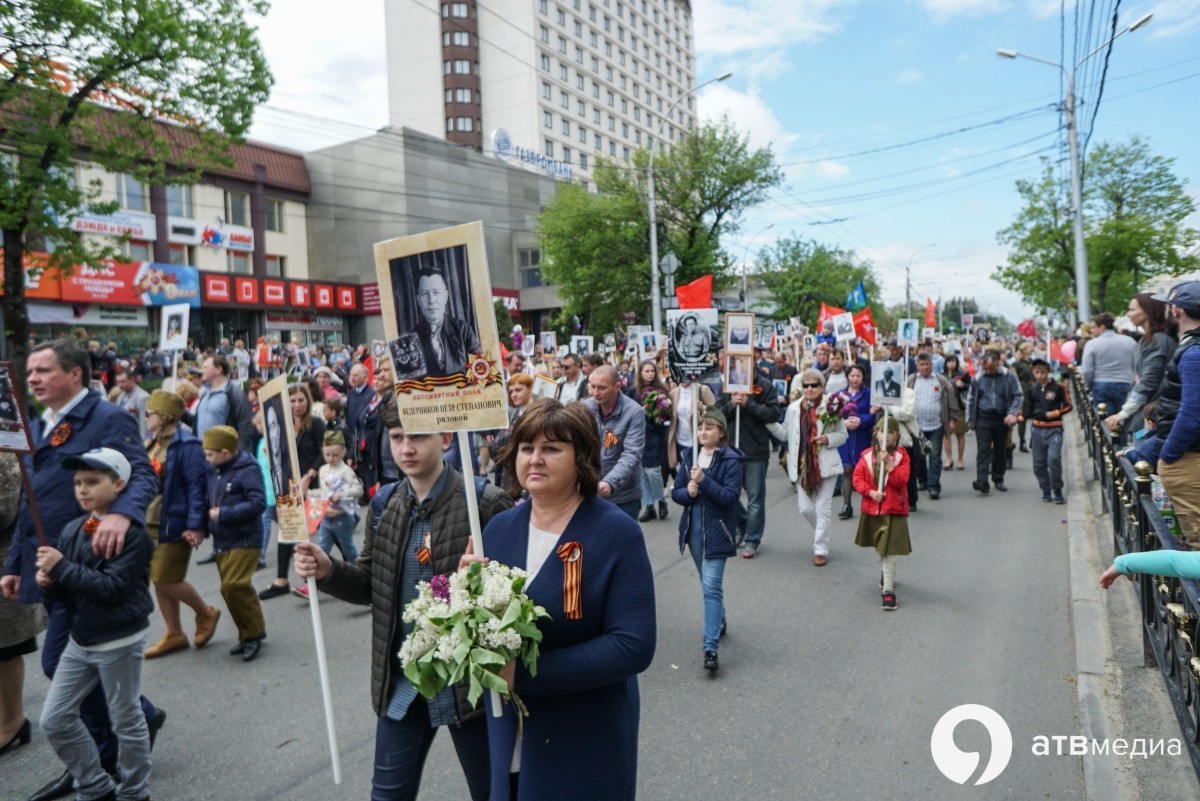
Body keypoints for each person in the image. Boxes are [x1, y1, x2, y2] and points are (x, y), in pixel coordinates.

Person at [294, 400, 511, 801]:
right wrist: (328, 570)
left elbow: (515, 598)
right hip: (404, 680)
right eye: (397, 438)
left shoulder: (486, 502)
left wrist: (479, 583)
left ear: (445, 438)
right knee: (388, 796)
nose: (406, 448)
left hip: (470, 685)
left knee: (494, 793)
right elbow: (370, 584)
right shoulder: (384, 504)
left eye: (417, 436)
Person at [467, 400, 655, 801]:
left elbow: (632, 645)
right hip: (512, 729)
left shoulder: (615, 532)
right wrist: (466, 594)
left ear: (581, 457)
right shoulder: (498, 530)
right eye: (526, 448)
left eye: (551, 448)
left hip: (585, 730)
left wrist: (526, 675)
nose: (535, 458)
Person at [2, 340, 164, 801]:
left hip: (91, 563)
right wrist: (16, 564)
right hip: (53, 565)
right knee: (72, 665)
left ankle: (102, 758)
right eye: (29, 370)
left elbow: (141, 472)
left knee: (59, 661)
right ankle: (128, 724)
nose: (30, 378)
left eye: (42, 370)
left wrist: (123, 514)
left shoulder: (105, 418)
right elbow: (33, 502)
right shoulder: (37, 423)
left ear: (75, 375)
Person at [36, 448, 154, 801]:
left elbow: (113, 589)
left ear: (119, 484)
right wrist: (50, 583)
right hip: (81, 638)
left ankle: (135, 791)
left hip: (118, 639)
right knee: (54, 719)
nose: (83, 489)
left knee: (126, 719)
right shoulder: (74, 529)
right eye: (77, 483)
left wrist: (62, 569)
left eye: (93, 482)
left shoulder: (133, 534)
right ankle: (95, 784)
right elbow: (66, 596)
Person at [142, 391, 221, 659]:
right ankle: (174, 632)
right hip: (150, 521)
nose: (146, 418)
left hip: (174, 521)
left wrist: (196, 526)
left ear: (164, 416)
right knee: (159, 579)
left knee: (165, 577)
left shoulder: (187, 446)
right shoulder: (153, 442)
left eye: (150, 413)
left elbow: (197, 489)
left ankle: (206, 612)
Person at [671, 406, 742, 671]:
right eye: (700, 427)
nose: (703, 431)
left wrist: (703, 481)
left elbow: (730, 498)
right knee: (706, 584)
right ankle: (720, 619)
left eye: (709, 427)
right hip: (693, 534)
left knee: (711, 588)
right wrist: (687, 492)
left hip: (719, 532)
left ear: (721, 432)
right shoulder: (689, 455)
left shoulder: (731, 460)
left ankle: (710, 647)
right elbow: (677, 492)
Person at [200, 426, 268, 662]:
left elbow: (257, 503)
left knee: (234, 585)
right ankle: (248, 632)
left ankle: (253, 634)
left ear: (226, 452)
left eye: (210, 454)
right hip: (224, 539)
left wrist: (226, 514)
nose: (207, 459)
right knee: (231, 589)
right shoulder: (217, 471)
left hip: (245, 537)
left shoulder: (246, 470)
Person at [260, 384, 326, 600]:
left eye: (301, 400)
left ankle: (335, 575)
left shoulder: (315, 424)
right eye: (292, 401)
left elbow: (323, 452)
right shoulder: (281, 426)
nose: (297, 405)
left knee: (326, 534)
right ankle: (282, 580)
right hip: (289, 486)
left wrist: (310, 474)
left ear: (308, 401)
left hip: (311, 485)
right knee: (288, 531)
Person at [1149, 280, 1200, 548]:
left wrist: (1168, 455)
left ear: (1177, 310)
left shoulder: (1193, 353)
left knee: (1196, 541)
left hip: (1189, 460)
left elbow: (1192, 414)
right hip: (1190, 456)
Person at [0, 453, 44, 759]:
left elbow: (4, 510)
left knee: (5, 647)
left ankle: (12, 720)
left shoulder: (4, 456)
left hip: (5, 563)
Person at [717, 363, 780, 559]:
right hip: (730, 449)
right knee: (728, 495)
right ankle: (742, 522)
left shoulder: (764, 385)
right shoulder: (727, 385)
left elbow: (774, 413)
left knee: (755, 499)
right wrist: (731, 404)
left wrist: (748, 404)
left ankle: (753, 539)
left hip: (755, 450)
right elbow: (717, 415)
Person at [785, 370, 848, 566]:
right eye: (806, 385)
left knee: (822, 507)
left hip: (826, 463)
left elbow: (843, 434)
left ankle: (820, 549)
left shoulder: (832, 405)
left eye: (814, 385)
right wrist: (766, 422)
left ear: (822, 386)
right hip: (802, 465)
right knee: (805, 508)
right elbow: (784, 432)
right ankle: (822, 531)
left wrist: (828, 439)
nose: (809, 389)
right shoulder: (794, 408)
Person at [852, 423, 911, 611]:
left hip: (893, 509)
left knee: (889, 549)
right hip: (874, 508)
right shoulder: (867, 456)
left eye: (891, 432)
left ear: (896, 437)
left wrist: (891, 464)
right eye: (882, 431)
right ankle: (887, 572)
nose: (886, 435)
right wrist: (870, 492)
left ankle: (888, 590)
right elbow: (857, 479)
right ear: (876, 433)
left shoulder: (902, 457)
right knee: (881, 546)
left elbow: (901, 480)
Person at [1104, 293, 1178, 440]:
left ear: (1148, 311)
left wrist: (1123, 413)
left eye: (1132, 310)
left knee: (1140, 448)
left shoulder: (1158, 341)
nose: (1128, 314)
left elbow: (1148, 381)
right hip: (1149, 414)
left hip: (1151, 417)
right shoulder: (1150, 339)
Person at [581, 366, 646, 520]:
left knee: (623, 542)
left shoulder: (634, 412)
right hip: (590, 493)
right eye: (593, 386)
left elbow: (632, 454)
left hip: (624, 496)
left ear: (617, 387)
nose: (596, 392)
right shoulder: (584, 408)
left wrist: (610, 483)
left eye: (602, 388)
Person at [967, 350, 1023, 494]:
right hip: (983, 417)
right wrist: (969, 419)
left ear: (998, 363)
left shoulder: (1008, 376)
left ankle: (998, 478)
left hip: (1001, 417)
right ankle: (982, 481)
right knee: (983, 449)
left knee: (1000, 449)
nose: (987, 371)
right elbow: (971, 398)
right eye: (985, 368)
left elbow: (1018, 395)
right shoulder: (978, 377)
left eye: (990, 368)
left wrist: (1012, 413)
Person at [905, 352, 958, 501]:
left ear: (931, 364)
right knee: (919, 457)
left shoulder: (941, 381)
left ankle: (934, 487)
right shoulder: (911, 380)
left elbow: (952, 401)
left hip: (936, 426)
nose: (925, 367)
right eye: (922, 364)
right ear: (917, 366)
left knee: (934, 457)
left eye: (927, 364)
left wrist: (952, 419)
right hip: (916, 426)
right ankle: (923, 481)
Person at [1019, 358, 1072, 504]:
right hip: (1037, 430)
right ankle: (1045, 488)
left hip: (1054, 429)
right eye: (1037, 372)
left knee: (1053, 459)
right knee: (1039, 463)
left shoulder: (1058, 387)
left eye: (1043, 372)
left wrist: (1055, 413)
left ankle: (1057, 488)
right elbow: (1028, 410)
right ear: (1033, 373)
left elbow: (1068, 406)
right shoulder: (1032, 389)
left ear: (1048, 372)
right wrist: (1022, 415)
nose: (1040, 375)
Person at [413, 267, 482, 378]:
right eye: (425, 294)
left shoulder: (464, 330)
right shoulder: (411, 339)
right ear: (418, 300)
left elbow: (481, 373)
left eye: (436, 293)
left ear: (445, 296)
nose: (431, 300)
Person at [306, 431, 363, 564]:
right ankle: (315, 583)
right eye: (327, 454)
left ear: (343, 451)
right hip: (326, 518)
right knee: (321, 550)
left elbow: (358, 489)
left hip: (342, 517)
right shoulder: (323, 470)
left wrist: (341, 495)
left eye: (335, 455)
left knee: (348, 551)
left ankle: (362, 573)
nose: (331, 458)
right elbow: (324, 492)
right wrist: (309, 493)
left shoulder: (346, 471)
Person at [631, 360, 672, 523]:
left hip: (655, 434)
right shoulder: (634, 391)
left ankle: (661, 500)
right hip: (638, 435)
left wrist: (653, 414)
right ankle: (649, 506)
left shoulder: (661, 391)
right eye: (646, 371)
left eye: (652, 371)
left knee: (653, 471)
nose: (650, 374)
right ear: (640, 373)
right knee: (641, 473)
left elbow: (667, 415)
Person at [836, 364, 875, 520]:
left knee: (864, 471)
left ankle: (868, 505)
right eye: (852, 375)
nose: (855, 379)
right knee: (847, 469)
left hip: (862, 436)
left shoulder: (869, 394)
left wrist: (862, 420)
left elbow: (873, 415)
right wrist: (843, 423)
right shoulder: (840, 395)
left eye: (858, 375)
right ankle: (847, 504)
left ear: (863, 377)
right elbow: (833, 416)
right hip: (845, 438)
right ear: (847, 377)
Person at [194, 354, 255, 451]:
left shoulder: (235, 394)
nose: (202, 370)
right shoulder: (205, 394)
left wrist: (241, 457)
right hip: (202, 455)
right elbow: (196, 422)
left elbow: (245, 426)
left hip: (223, 455)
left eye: (205, 367)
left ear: (218, 370)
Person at [1082, 311, 1137, 416]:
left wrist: (1089, 385)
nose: (1091, 330)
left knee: (1106, 421)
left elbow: (1087, 370)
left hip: (1101, 384)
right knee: (1124, 418)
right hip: (1126, 383)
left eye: (1094, 327)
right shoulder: (1130, 341)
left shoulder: (1092, 344)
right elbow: (1137, 365)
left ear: (1102, 327)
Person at [943, 354, 969, 471]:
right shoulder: (942, 376)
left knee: (960, 433)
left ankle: (960, 458)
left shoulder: (962, 374)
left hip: (959, 406)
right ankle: (949, 458)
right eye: (948, 362)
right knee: (946, 433)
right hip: (945, 407)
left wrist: (963, 385)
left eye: (953, 361)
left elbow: (972, 386)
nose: (951, 364)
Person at [112, 371, 150, 440]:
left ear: (132, 380)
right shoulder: (120, 396)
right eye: (118, 382)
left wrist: (143, 443)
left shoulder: (142, 397)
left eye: (123, 382)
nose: (120, 385)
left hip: (135, 438)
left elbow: (144, 423)